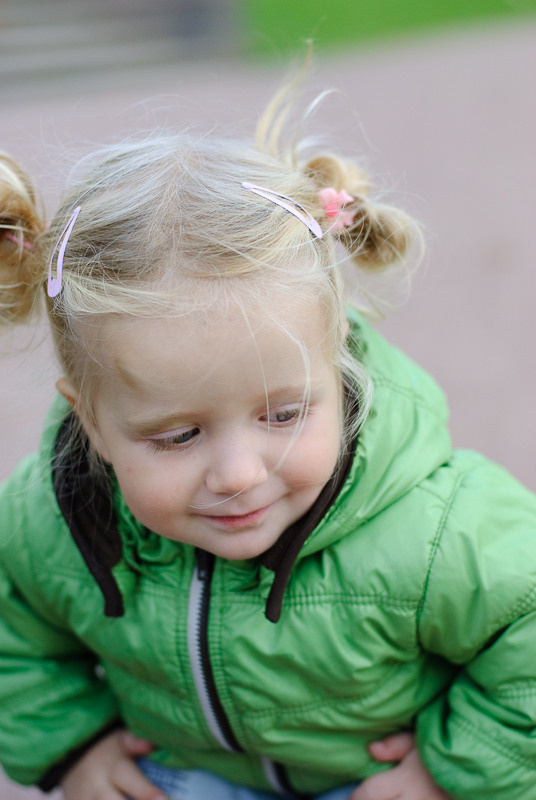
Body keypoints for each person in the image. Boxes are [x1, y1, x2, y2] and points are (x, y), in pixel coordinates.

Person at [0, 68, 535, 800]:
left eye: (283, 416)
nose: (238, 474)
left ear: (335, 364)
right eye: (178, 435)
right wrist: (73, 747)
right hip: (183, 775)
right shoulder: (47, 522)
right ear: (89, 417)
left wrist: (455, 770)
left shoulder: (440, 527)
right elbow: (14, 643)